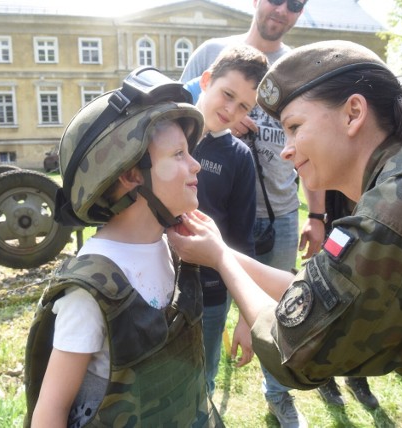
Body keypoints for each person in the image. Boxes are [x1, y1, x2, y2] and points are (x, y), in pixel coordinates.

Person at [167, 40, 402, 427]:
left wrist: (220, 259)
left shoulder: (400, 209)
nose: (286, 151)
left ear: (353, 113)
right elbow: (323, 292)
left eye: (294, 128)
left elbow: (295, 350)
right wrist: (222, 250)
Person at [24, 68, 223, 427]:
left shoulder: (178, 249)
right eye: (178, 154)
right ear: (132, 174)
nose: (195, 164)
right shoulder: (92, 288)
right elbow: (50, 411)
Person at [180, 1, 323, 426]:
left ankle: (277, 393)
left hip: (275, 212)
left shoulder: (300, 66)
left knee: (274, 310)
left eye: (295, 4)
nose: (283, 9)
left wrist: (316, 216)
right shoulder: (213, 51)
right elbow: (172, 110)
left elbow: (310, 146)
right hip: (203, 215)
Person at [189, 44, 268, 395]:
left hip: (210, 295)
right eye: (227, 94)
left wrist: (245, 318)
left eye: (244, 107)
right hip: (151, 286)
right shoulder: (163, 130)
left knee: (201, 381)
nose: (231, 110)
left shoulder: (239, 158)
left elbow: (241, 240)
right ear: (206, 80)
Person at [315, 190, 379, 410]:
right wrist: (316, 217)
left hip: (375, 237)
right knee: (329, 302)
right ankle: (323, 375)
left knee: (364, 309)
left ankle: (356, 376)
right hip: (337, 228)